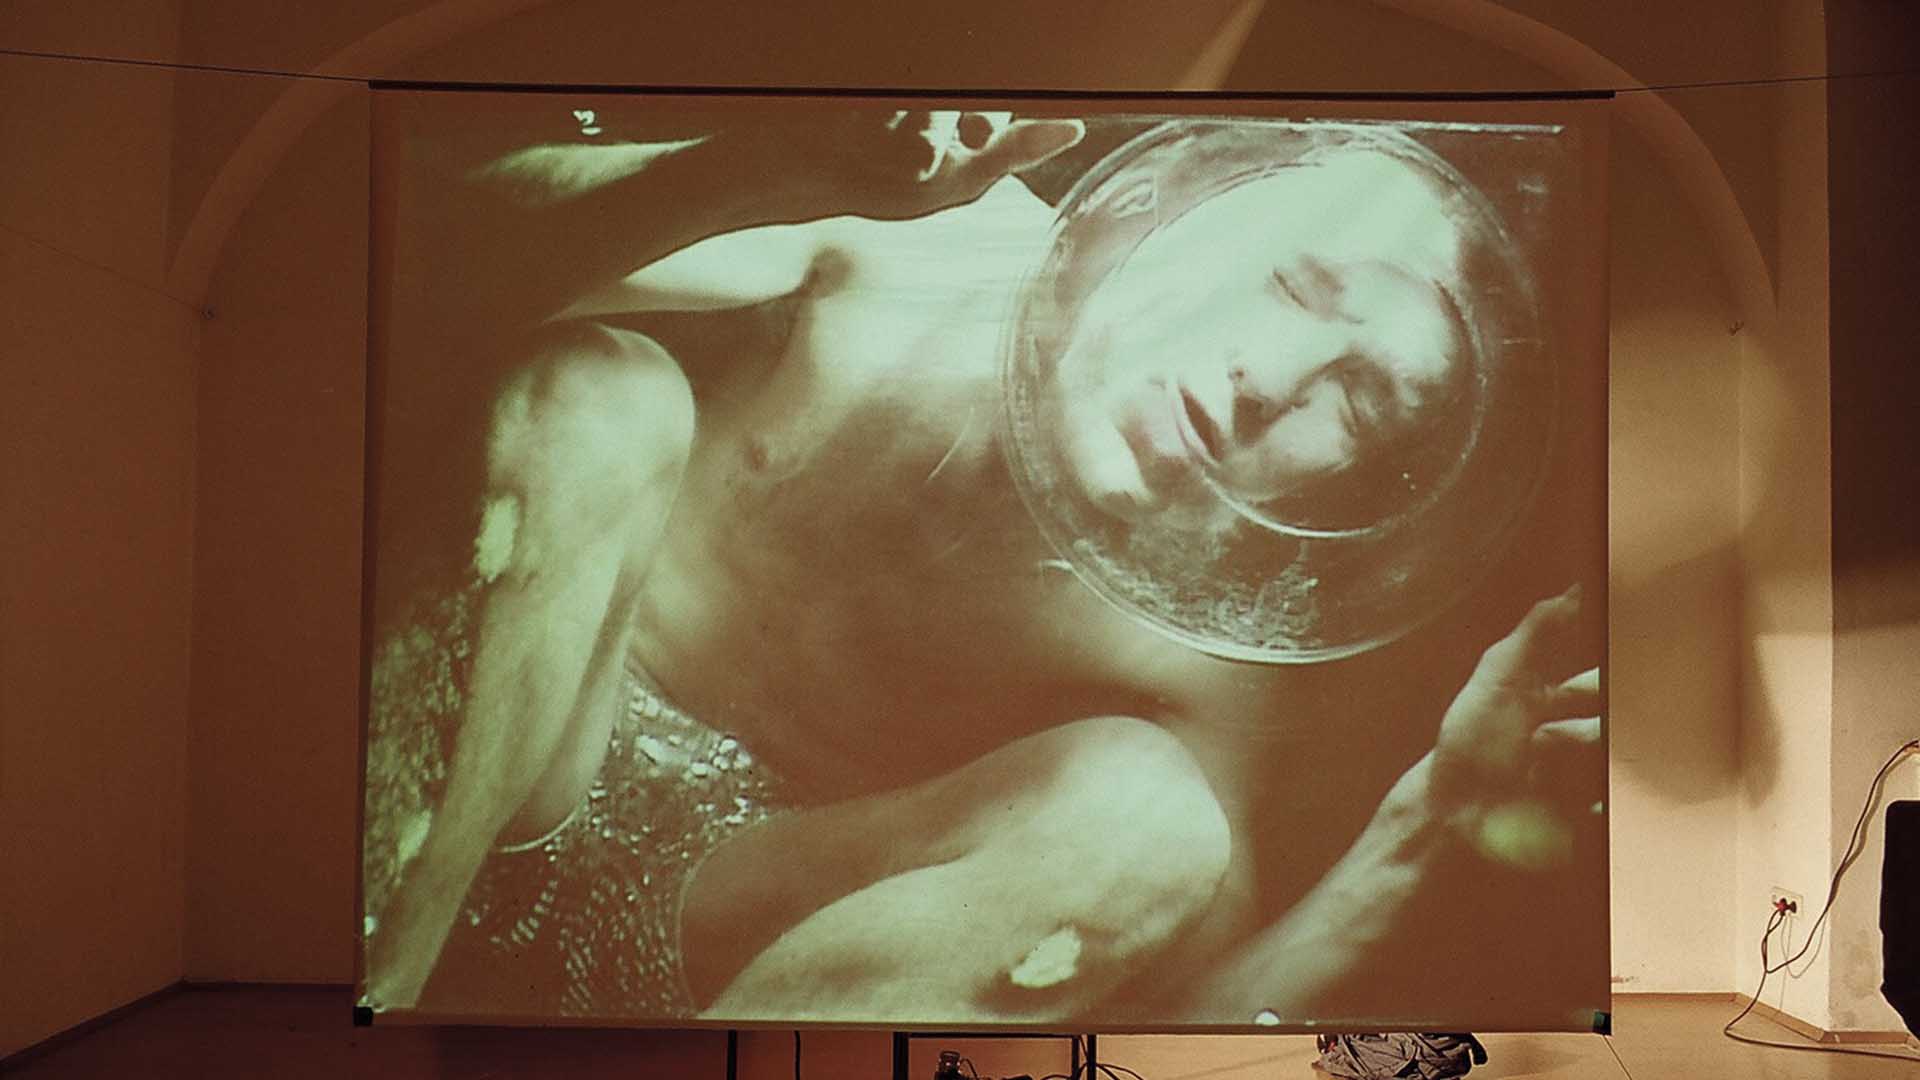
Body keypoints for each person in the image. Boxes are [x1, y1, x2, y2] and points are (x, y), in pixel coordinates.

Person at [360, 107, 1603, 1025]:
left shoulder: (1214, 651)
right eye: (1294, 284)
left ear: (1361, 492)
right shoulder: (922, 243)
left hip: (710, 952)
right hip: (459, 766)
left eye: (1364, 399)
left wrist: (1424, 825)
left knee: (1152, 822)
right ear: (1181, 221)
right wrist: (763, 168)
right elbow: (421, 266)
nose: (1267, 379)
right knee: (597, 397)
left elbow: (1168, 1030)